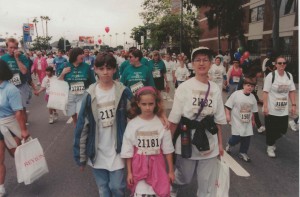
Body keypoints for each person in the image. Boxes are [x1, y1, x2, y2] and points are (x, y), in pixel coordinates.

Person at [168, 47, 226, 197]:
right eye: (198, 60)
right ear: (192, 64)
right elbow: (174, 119)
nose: (201, 63)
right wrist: (168, 144)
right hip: (187, 139)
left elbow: (218, 119)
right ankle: (174, 185)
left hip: (209, 142)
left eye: (205, 60)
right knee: (185, 178)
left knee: (206, 183)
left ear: (211, 63)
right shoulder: (184, 87)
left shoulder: (215, 89)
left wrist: (220, 144)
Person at [73, 53, 132, 197]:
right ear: (95, 69)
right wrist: (80, 157)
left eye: (109, 68)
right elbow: (82, 127)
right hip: (97, 151)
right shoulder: (89, 95)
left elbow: (137, 114)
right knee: (103, 188)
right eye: (101, 68)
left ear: (114, 69)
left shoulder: (123, 92)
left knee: (117, 187)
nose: (105, 72)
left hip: (117, 149)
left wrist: (159, 116)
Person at [121, 86, 175, 197]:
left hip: (158, 166)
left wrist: (170, 171)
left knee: (160, 192)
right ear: (138, 104)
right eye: (144, 104)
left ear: (156, 104)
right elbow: (128, 151)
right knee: (141, 192)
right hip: (139, 166)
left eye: (151, 104)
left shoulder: (162, 124)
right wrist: (129, 172)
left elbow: (168, 150)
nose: (147, 108)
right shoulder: (133, 124)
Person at [0, 60, 30, 196]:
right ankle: (1, 187)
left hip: (10, 125)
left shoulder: (10, 89)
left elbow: (18, 111)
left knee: (16, 154)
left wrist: (23, 130)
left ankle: (28, 168)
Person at [263, 56, 296, 158]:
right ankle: (270, 146)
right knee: (271, 129)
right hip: (272, 109)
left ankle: (272, 141)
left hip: (283, 110)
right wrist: (265, 107)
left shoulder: (289, 76)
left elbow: (291, 91)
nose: (282, 65)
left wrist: (294, 105)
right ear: (276, 64)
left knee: (283, 130)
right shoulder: (271, 76)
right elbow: (265, 92)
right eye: (280, 63)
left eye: (284, 63)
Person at [58, 48, 96, 125]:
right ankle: (76, 124)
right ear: (75, 55)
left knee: (81, 114)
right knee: (72, 112)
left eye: (83, 54)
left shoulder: (86, 66)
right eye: (81, 54)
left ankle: (81, 128)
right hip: (69, 94)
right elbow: (58, 81)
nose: (83, 55)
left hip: (83, 94)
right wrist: (63, 73)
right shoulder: (65, 65)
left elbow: (93, 82)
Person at [225, 77, 258, 162]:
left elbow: (253, 110)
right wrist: (228, 115)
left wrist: (253, 120)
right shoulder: (236, 94)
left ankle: (243, 152)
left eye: (252, 86)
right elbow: (228, 106)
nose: (250, 87)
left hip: (247, 121)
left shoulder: (253, 97)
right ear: (243, 85)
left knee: (247, 137)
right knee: (237, 137)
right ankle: (230, 143)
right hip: (236, 120)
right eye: (248, 85)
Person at [1, 38, 31, 125]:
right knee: (9, 107)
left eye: (15, 47)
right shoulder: (3, 58)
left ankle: (23, 124)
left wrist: (17, 58)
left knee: (21, 108)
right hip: (7, 86)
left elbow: (24, 71)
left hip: (21, 85)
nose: (13, 50)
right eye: (10, 47)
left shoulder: (23, 57)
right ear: (7, 48)